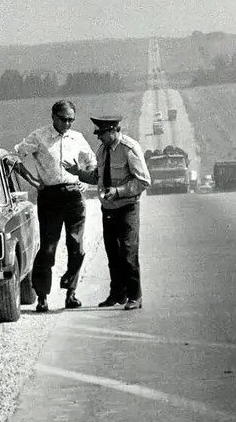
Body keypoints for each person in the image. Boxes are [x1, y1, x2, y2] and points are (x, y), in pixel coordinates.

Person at [13, 99, 97, 312]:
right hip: (49, 196)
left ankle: (71, 293)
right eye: (63, 119)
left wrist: (84, 179)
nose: (67, 124)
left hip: (73, 195)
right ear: (53, 117)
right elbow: (14, 157)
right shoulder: (39, 136)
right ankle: (42, 296)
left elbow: (92, 162)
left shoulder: (77, 138)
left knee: (76, 245)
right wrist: (32, 181)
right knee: (49, 247)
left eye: (71, 120)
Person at [86, 115, 151, 310]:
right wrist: (78, 173)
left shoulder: (129, 149)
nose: (99, 137)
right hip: (108, 208)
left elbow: (144, 181)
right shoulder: (102, 150)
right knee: (112, 253)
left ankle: (134, 296)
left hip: (127, 208)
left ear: (114, 130)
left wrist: (119, 191)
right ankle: (117, 294)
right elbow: (98, 176)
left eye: (102, 133)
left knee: (128, 251)